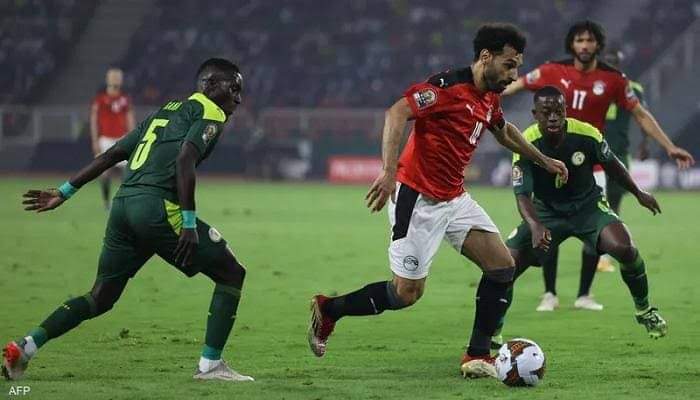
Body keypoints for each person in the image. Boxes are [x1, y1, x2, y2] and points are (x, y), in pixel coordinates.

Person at [307, 23, 568, 379]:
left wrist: (544, 160)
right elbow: (397, 112)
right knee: (406, 293)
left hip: (454, 198)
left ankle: (476, 355)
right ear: (486, 57)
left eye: (517, 67)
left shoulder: (490, 95)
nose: (513, 75)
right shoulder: (446, 88)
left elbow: (503, 130)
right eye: (509, 65)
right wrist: (388, 171)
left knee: (502, 267)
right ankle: (330, 309)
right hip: (417, 200)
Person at [3, 58, 253, 382]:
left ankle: (25, 348)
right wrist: (189, 224)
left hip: (123, 207)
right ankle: (210, 366)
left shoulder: (166, 111)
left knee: (100, 297)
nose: (238, 98)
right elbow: (185, 160)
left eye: (239, 90)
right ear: (209, 86)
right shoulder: (211, 112)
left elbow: (112, 155)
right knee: (231, 273)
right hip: (156, 208)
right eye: (233, 88)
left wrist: (65, 191)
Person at [502, 20, 694, 312]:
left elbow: (641, 114)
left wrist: (669, 147)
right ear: (571, 44)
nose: (585, 45)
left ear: (598, 45)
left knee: (596, 235)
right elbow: (512, 86)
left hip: (590, 167)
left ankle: (584, 294)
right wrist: (482, 95)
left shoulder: (614, 79)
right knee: (547, 225)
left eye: (590, 40)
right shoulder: (552, 70)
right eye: (579, 40)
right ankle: (550, 293)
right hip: (548, 160)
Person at [501, 86, 667, 339]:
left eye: (558, 111)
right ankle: (493, 333)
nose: (553, 117)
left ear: (566, 110)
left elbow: (613, 166)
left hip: (588, 208)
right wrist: (535, 225)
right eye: (546, 112)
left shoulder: (586, 134)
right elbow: (522, 194)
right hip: (546, 212)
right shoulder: (526, 142)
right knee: (504, 268)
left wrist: (638, 192)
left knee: (625, 249)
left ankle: (644, 310)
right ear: (535, 114)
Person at [90, 68, 135, 210]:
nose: (116, 79)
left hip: (121, 138)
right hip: (105, 139)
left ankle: (123, 201)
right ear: (107, 79)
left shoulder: (125, 99)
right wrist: (95, 140)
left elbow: (130, 119)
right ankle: (106, 202)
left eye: (118, 77)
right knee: (105, 172)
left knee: (126, 172)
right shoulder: (100, 99)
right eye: (113, 77)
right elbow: (93, 120)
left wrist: (133, 137)